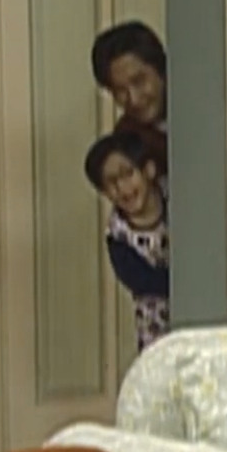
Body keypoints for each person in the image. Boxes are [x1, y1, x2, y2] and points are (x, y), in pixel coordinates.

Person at [83, 128, 169, 352]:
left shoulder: (174, 196)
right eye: (112, 182)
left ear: (148, 170)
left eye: (128, 174)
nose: (123, 188)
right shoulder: (118, 236)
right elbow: (143, 282)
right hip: (156, 329)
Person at [91, 20, 168, 175]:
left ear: (161, 71)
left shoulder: (202, 111)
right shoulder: (126, 140)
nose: (134, 99)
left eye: (139, 81)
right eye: (120, 91)